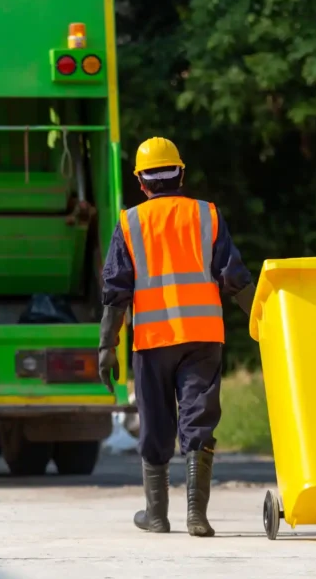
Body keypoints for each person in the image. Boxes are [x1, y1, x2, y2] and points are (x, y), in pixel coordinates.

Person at [98, 137, 256, 537]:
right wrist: (262, 320)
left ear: (141, 182)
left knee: (155, 424)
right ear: (180, 174)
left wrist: (106, 345)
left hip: (152, 340)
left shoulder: (130, 222)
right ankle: (196, 516)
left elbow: (116, 292)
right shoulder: (208, 215)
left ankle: (156, 515)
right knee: (198, 420)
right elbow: (234, 278)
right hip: (202, 336)